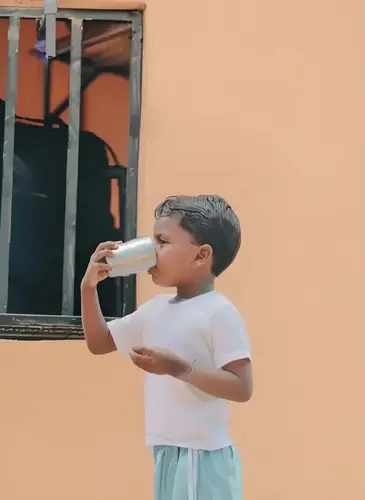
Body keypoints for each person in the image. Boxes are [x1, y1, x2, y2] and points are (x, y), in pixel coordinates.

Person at [81, 194, 253, 500]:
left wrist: (179, 368)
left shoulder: (219, 312)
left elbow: (242, 387)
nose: (150, 251)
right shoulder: (155, 309)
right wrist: (88, 287)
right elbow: (100, 341)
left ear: (201, 255)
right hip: (166, 451)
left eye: (162, 241)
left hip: (202, 456)